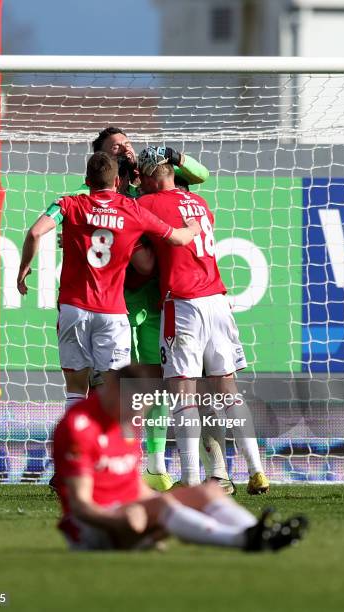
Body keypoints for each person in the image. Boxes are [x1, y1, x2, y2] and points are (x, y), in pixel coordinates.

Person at [69, 127, 211, 492]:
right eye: (116, 147)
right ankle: (109, 460)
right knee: (120, 381)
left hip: (159, 298)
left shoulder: (155, 177)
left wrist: (175, 155)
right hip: (119, 301)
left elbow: (201, 174)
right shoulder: (109, 196)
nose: (127, 149)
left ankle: (156, 464)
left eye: (128, 143)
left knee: (159, 381)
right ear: (106, 159)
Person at [16, 151, 201, 410]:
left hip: (73, 308)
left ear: (87, 181)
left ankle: (74, 447)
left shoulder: (68, 205)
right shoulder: (133, 210)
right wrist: (193, 227)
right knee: (114, 391)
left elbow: (35, 232)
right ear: (117, 182)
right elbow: (179, 238)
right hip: (113, 313)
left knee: (76, 390)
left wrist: (24, 268)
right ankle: (115, 449)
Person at [53, 366, 307, 552]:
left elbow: (132, 487)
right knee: (161, 509)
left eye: (141, 408)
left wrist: (151, 507)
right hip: (92, 529)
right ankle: (244, 541)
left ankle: (263, 532)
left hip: (132, 510)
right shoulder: (79, 426)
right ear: (112, 391)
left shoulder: (126, 419)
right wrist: (124, 520)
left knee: (208, 491)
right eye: (133, 406)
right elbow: (80, 506)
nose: (136, 414)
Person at [136, 146, 270, 495]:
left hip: (183, 304)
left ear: (150, 177)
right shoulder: (199, 204)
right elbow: (200, 176)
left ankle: (191, 478)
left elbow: (142, 254)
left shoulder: (148, 204)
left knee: (184, 395)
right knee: (228, 391)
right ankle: (257, 470)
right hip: (218, 301)